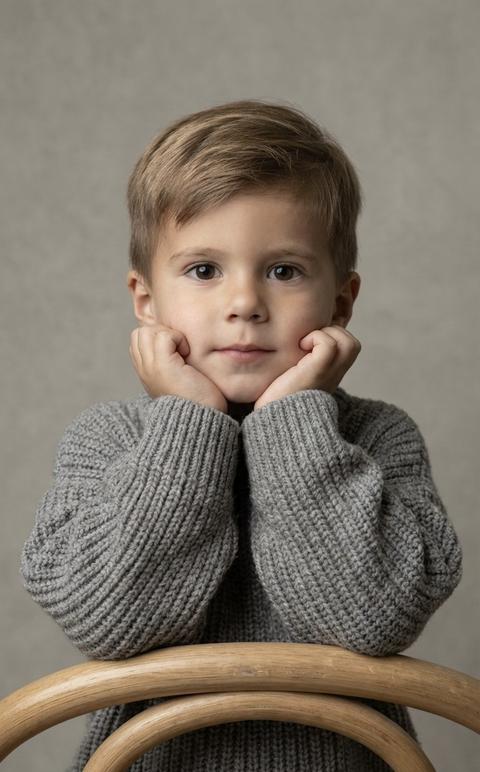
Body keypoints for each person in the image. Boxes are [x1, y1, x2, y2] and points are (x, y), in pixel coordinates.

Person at [20, 98, 463, 771]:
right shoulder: (107, 440)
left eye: (284, 270)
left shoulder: (377, 436)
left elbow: (372, 619)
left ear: (340, 302)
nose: (244, 303)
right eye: (204, 270)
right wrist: (190, 425)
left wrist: (292, 423)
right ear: (146, 300)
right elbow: (110, 619)